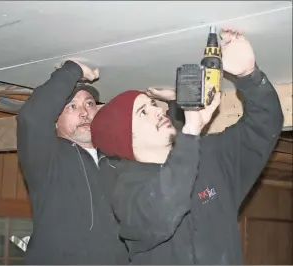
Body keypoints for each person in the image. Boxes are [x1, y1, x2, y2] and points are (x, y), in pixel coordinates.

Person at [90, 28, 284, 264]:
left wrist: (249, 76)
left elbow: (263, 126)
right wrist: (190, 129)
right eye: (143, 112)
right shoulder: (126, 190)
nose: (158, 111)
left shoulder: (210, 155)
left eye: (153, 104)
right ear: (123, 137)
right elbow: (163, 211)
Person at [16, 60, 129, 264]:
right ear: (55, 119)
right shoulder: (47, 159)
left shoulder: (118, 160)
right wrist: (71, 71)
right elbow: (32, 118)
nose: (84, 113)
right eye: (72, 107)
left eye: (89, 104)